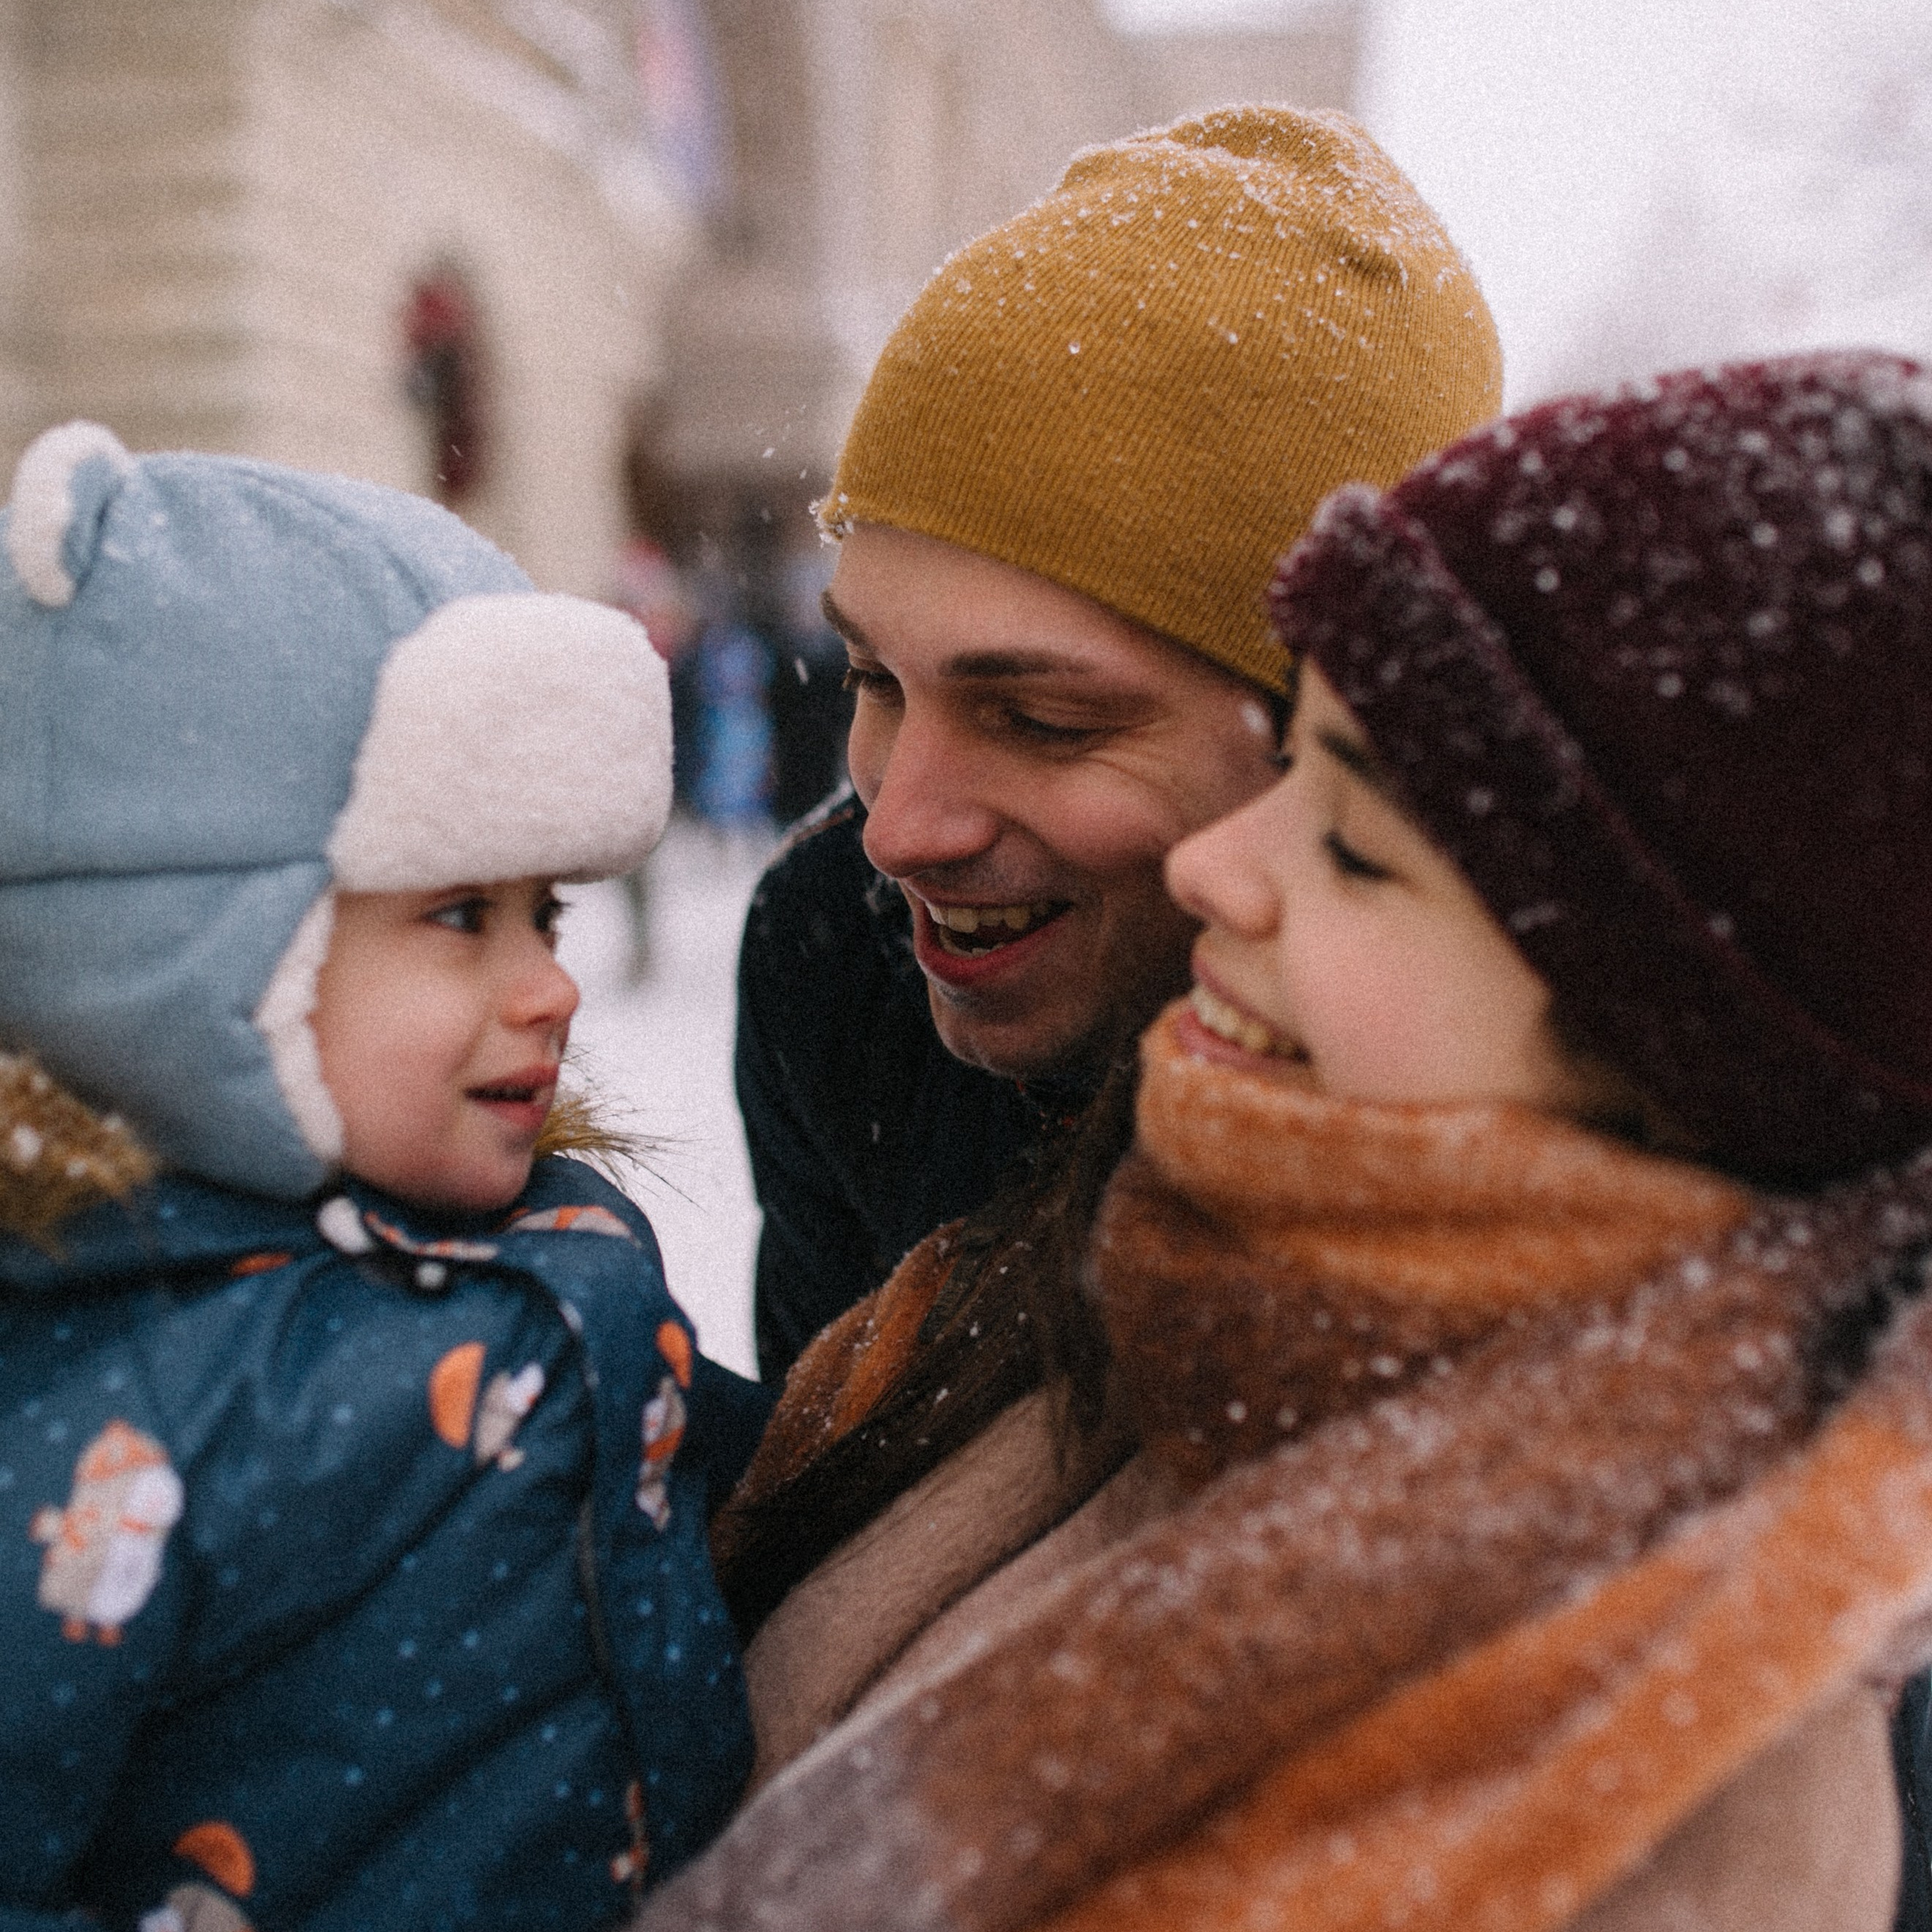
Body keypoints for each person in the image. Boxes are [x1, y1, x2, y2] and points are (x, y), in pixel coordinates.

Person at [651, 351, 1932, 1931]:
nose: (1219, 872)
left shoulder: (1640, 1761)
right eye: (866, 679)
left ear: (1671, 1035)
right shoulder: (1181, 1275)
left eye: (1348, 839)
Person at [0, 423, 770, 1929]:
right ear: (189, 960)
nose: (549, 984)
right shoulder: (111, 1397)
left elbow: (749, 1491)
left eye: (542, 911)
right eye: (457, 914)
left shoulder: (560, 1241)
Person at [737, 104, 1505, 1380]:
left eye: (1042, 720)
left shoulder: (1527, 1081)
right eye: (872, 676)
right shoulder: (835, 964)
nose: (896, 830)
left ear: (1333, 733)